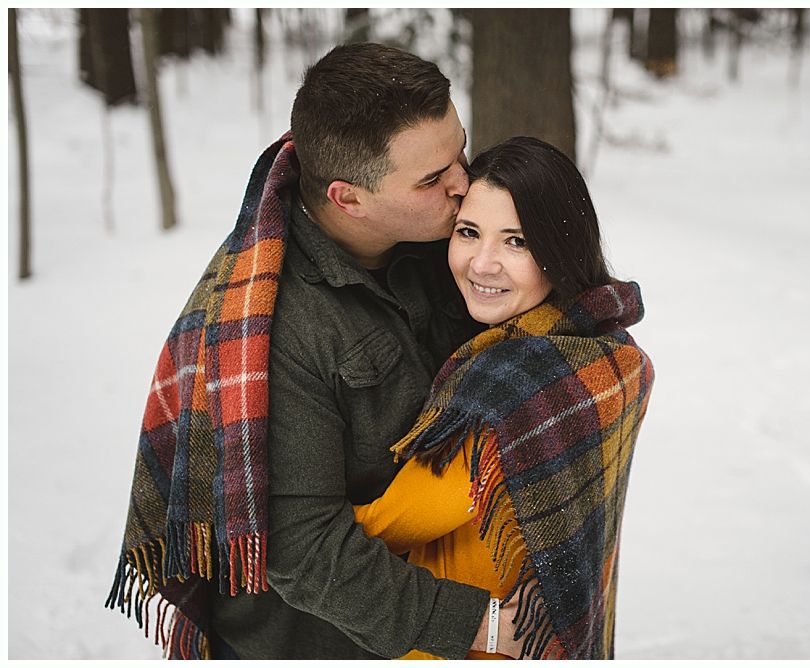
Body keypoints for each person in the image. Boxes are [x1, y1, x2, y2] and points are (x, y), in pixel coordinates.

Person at [107, 43, 520, 659]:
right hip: (317, 639)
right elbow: (302, 549)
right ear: (347, 197)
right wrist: (480, 625)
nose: (464, 183)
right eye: (433, 178)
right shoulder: (276, 330)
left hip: (447, 566)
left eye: (458, 149)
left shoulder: (440, 233)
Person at [352, 137, 655, 660]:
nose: (483, 264)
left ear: (560, 250)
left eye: (516, 242)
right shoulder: (609, 351)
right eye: (468, 232)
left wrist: (288, 518)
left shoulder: (519, 387)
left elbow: (392, 522)